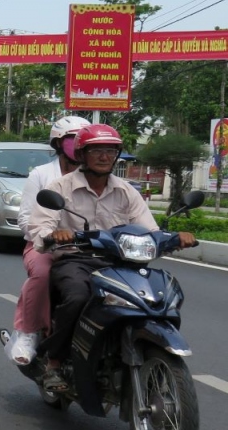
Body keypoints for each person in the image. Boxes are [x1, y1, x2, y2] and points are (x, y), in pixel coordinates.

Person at [26, 124, 197, 391]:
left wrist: (176, 237)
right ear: (81, 154)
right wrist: (55, 234)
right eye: (97, 150)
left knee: (159, 298)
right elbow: (40, 227)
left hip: (120, 264)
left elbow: (149, 228)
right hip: (76, 261)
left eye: (110, 150)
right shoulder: (61, 187)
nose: (105, 156)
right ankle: (54, 363)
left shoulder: (127, 191)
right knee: (78, 298)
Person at [3, 115, 89, 365]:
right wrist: (49, 237)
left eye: (84, 141)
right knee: (42, 273)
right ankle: (28, 332)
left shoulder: (95, 174)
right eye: (73, 140)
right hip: (45, 246)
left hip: (89, 248)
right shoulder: (42, 175)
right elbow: (25, 218)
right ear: (59, 144)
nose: (80, 146)